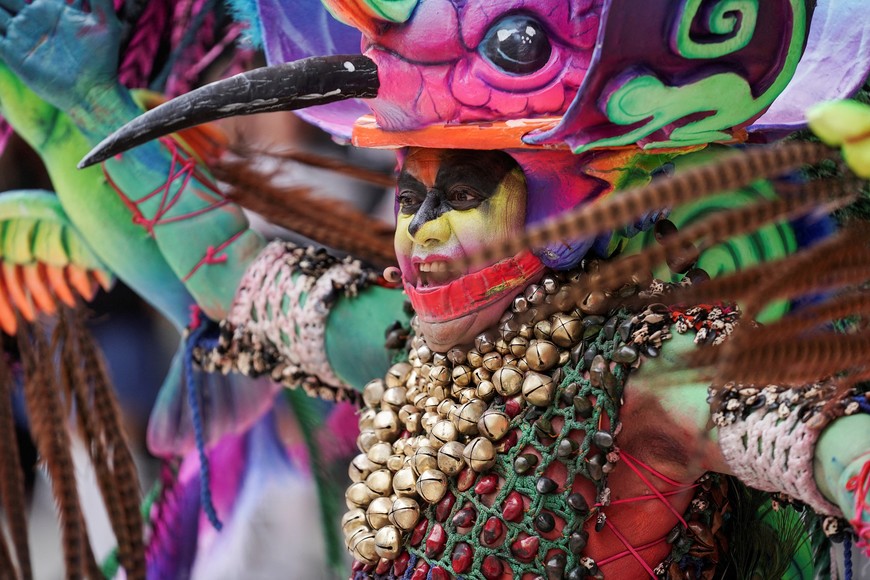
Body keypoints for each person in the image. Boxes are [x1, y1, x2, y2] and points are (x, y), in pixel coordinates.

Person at [0, 0, 868, 578]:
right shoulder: (398, 349)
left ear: (556, 212)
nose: (419, 230)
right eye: (409, 199)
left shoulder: (657, 363)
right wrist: (84, 97)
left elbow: (808, 437)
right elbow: (231, 272)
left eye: (458, 199)